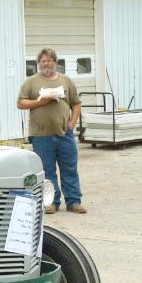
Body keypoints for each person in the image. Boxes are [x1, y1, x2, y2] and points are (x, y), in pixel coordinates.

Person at [17, 47, 86, 214]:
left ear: (55, 62)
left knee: (69, 168)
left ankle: (74, 202)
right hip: (41, 135)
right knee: (47, 171)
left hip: (64, 133)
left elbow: (76, 103)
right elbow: (21, 103)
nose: (45, 63)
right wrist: (41, 102)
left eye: (49, 60)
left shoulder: (66, 81)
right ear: (38, 63)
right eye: (42, 61)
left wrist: (73, 122)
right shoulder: (31, 82)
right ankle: (51, 203)